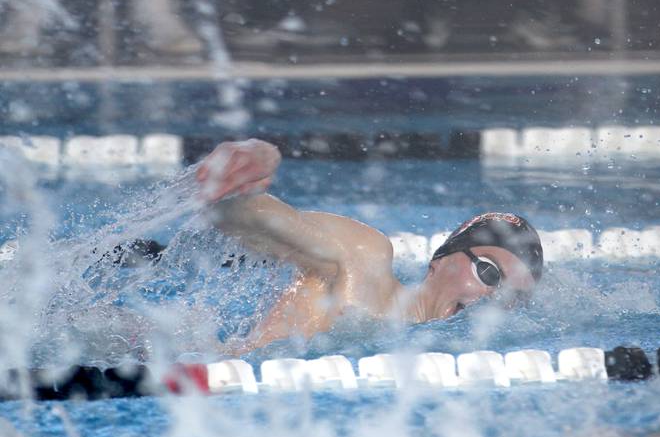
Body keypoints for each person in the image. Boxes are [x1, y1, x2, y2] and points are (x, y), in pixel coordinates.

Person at [196, 139, 543, 354]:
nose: (494, 299)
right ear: (440, 261)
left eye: (513, 296)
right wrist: (246, 170)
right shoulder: (361, 262)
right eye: (489, 272)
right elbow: (253, 217)